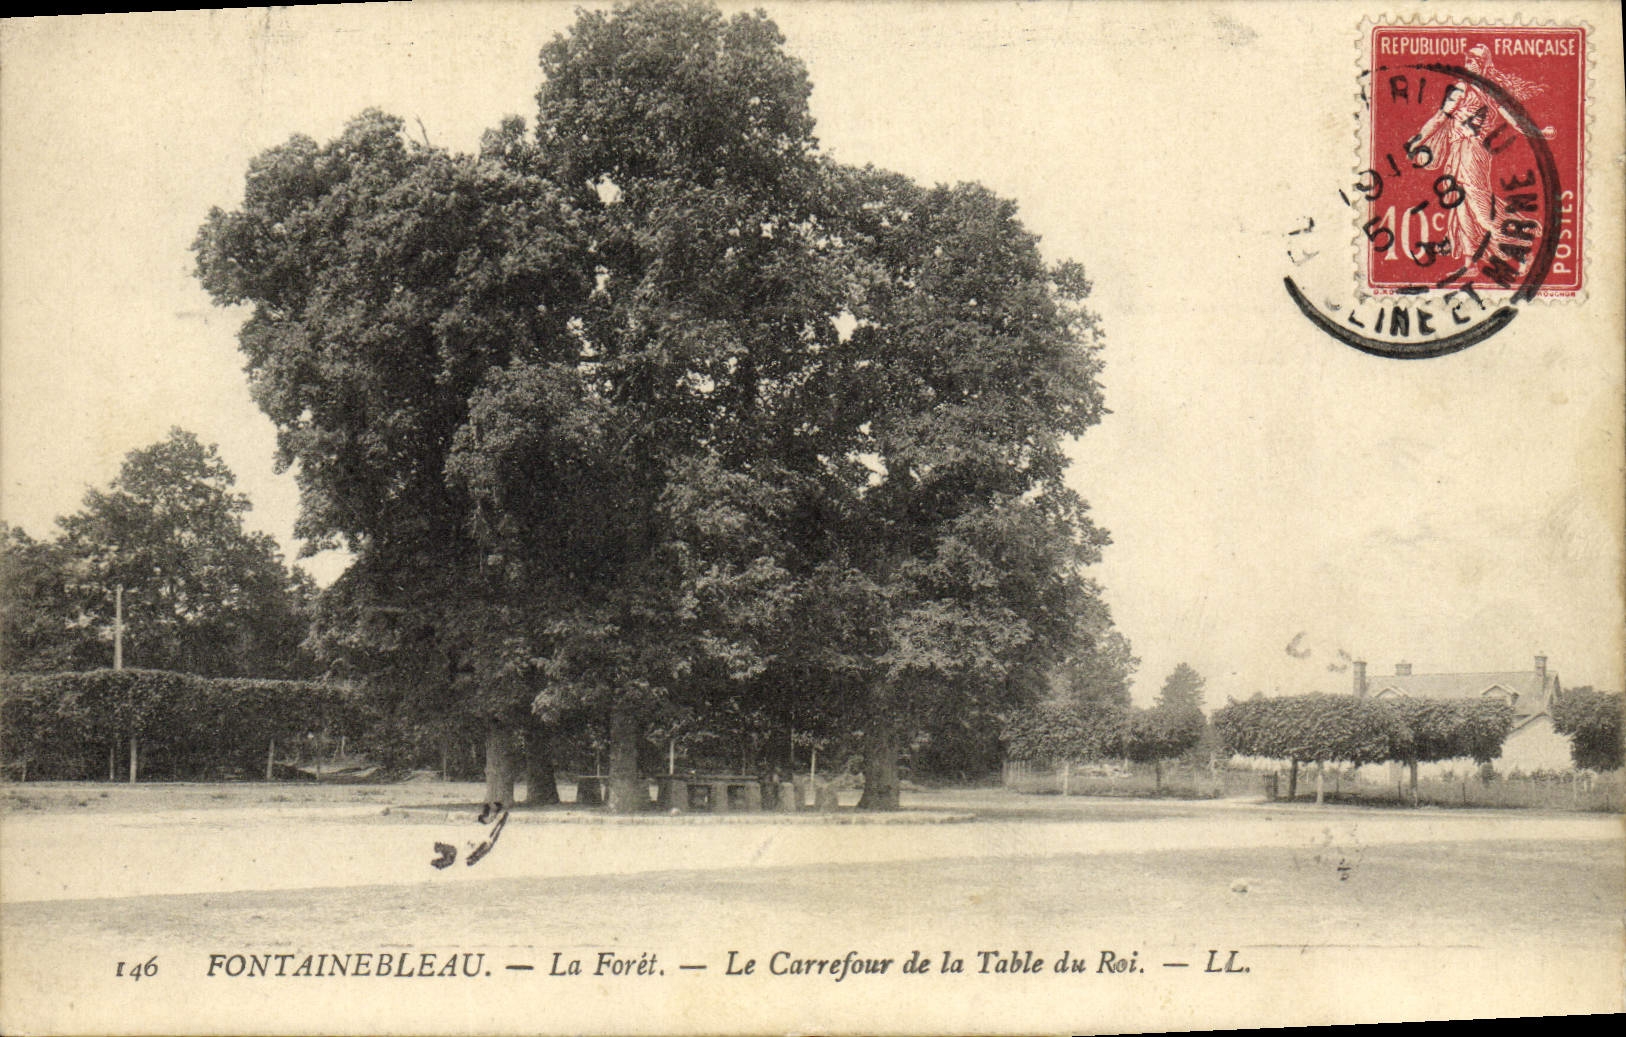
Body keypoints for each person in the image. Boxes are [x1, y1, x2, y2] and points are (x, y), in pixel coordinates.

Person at [1407, 45, 1549, 265]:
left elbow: (1513, 119)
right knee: (1462, 208)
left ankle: (1522, 236)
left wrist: (1537, 132)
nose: (1470, 63)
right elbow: (1440, 117)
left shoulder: (1487, 91)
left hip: (1472, 153)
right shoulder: (1464, 88)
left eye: (1475, 60)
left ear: (1484, 65)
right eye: (1468, 59)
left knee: (1479, 207)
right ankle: (1479, 261)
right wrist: (1417, 140)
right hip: (1459, 152)